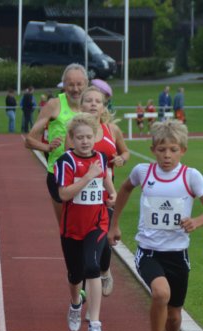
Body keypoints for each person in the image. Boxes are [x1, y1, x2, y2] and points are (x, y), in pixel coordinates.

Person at [108, 120, 203, 331]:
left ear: (183, 150)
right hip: (149, 251)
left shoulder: (191, 176)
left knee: (175, 316)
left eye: (172, 150)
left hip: (177, 254)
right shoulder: (143, 172)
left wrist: (196, 221)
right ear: (152, 150)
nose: (167, 155)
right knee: (161, 293)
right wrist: (114, 224)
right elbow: (124, 189)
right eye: (161, 150)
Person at [55, 113, 117, 331]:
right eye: (80, 137)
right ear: (72, 139)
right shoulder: (66, 161)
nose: (85, 141)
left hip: (97, 223)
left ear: (94, 137)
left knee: (92, 267)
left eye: (89, 137)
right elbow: (64, 194)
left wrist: (112, 194)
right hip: (72, 228)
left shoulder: (100, 158)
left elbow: (106, 180)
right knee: (75, 275)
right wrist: (87, 177)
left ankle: (95, 324)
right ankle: (75, 305)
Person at [79, 83, 131, 297]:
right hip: (82, 194)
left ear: (103, 106)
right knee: (84, 241)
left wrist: (121, 159)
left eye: (97, 101)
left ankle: (105, 270)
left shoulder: (112, 130)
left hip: (106, 193)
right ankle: (84, 285)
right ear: (81, 105)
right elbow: (68, 159)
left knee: (105, 237)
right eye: (89, 100)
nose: (93, 104)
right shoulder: (75, 131)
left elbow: (125, 152)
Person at [25, 63, 88, 223]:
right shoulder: (54, 105)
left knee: (87, 226)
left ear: (86, 84)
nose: (75, 89)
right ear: (64, 85)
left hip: (86, 173)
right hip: (59, 174)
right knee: (66, 227)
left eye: (79, 84)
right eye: (71, 84)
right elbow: (30, 140)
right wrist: (47, 147)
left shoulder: (90, 106)